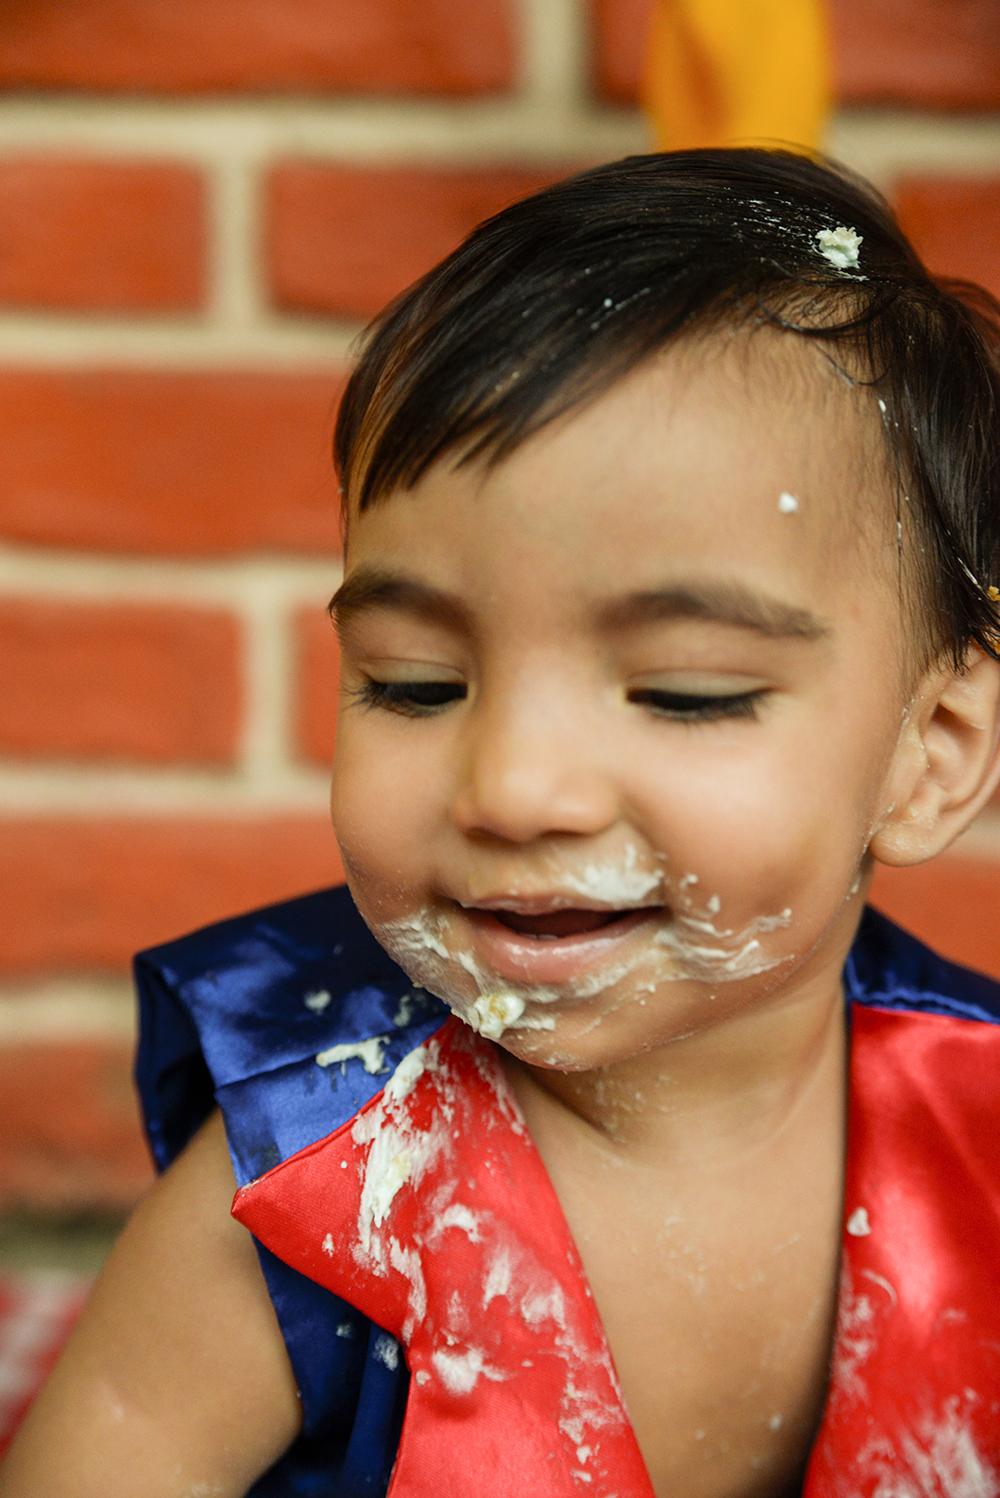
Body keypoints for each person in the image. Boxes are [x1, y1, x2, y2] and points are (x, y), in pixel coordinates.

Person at [4, 149, 1000, 1498]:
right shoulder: (311, 1190)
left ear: (932, 755)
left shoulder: (975, 1121)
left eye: (683, 693)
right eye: (416, 682)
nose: (513, 787)